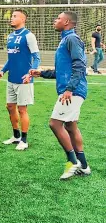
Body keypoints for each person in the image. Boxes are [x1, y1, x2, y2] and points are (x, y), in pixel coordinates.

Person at [29, 11, 90, 180]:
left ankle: (73, 162)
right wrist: (41, 73)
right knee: (70, 126)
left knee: (55, 124)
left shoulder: (72, 39)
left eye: (58, 18)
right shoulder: (65, 40)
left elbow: (79, 66)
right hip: (71, 90)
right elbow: (62, 71)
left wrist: (70, 89)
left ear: (67, 22)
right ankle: (84, 166)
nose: (54, 21)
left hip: (73, 91)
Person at [0, 9, 41, 150]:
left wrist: (30, 74)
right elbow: (11, 58)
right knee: (10, 107)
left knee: (22, 109)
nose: (12, 18)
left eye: (15, 16)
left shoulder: (29, 36)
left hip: (24, 80)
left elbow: (37, 57)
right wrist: (3, 70)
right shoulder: (10, 36)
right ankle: (15, 136)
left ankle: (24, 140)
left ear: (23, 19)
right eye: (12, 16)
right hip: (11, 79)